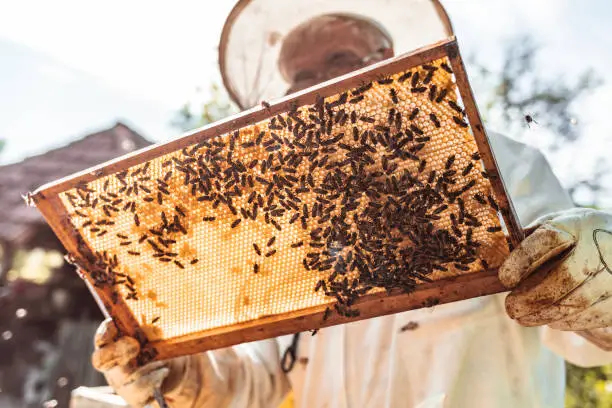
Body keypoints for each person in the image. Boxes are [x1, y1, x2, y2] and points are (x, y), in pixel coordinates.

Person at [91, 1, 612, 407]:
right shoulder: (288, 220)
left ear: (388, 62)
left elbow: (589, 337)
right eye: (301, 79)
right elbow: (258, 382)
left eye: (338, 63)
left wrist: (600, 281)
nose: (319, 89)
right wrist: (183, 377)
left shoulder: (504, 165)